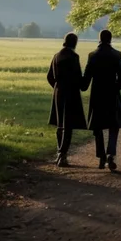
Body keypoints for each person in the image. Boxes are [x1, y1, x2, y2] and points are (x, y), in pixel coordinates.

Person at [82, 29, 121, 171]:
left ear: (99, 39)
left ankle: (101, 156)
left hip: (97, 95)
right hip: (112, 94)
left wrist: (79, 84)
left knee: (98, 127)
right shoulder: (116, 55)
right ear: (110, 39)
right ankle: (111, 154)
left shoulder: (92, 56)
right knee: (113, 126)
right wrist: (115, 89)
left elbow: (86, 80)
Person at [47, 32, 87, 167]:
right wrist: (83, 84)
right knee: (68, 125)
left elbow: (49, 77)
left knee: (60, 125)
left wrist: (57, 87)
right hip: (71, 93)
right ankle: (63, 155)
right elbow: (77, 76)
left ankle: (59, 151)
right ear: (74, 43)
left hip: (59, 92)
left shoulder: (56, 56)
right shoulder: (74, 57)